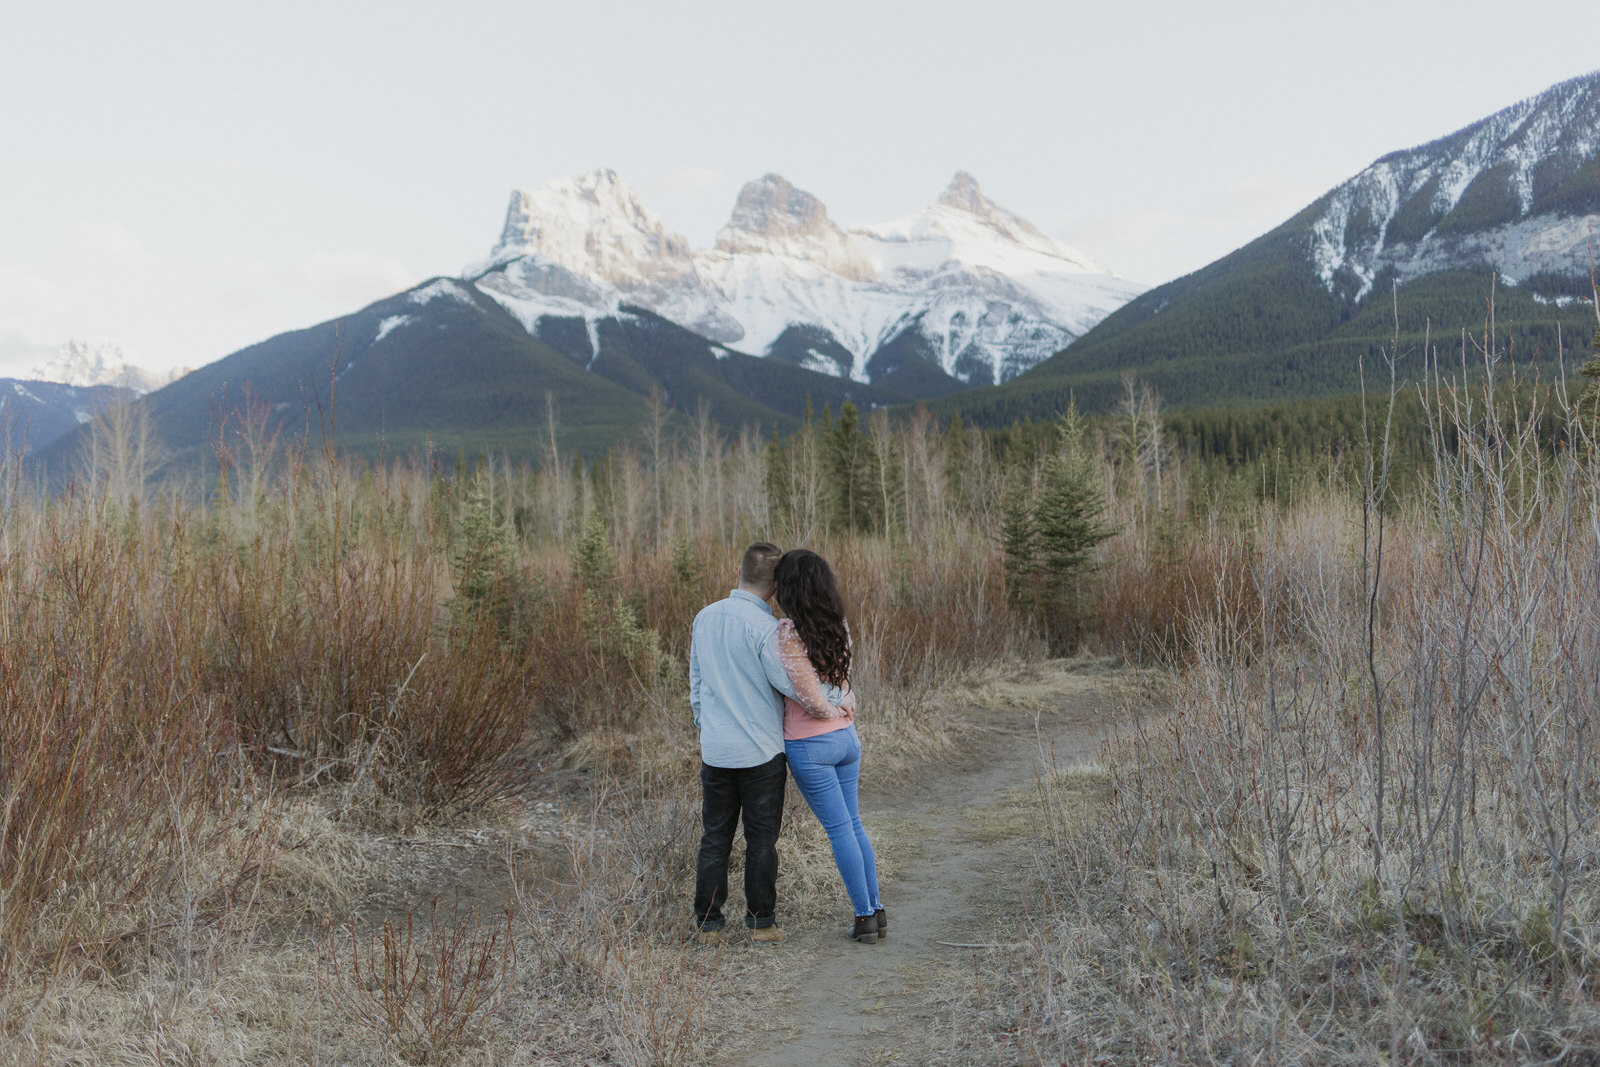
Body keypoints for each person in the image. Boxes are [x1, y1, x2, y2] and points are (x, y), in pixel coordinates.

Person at [687, 541, 846, 944]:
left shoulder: (703, 618)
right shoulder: (765, 629)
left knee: (715, 836)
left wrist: (706, 726)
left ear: (738, 571)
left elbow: (697, 682)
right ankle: (761, 923)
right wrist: (836, 702)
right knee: (761, 839)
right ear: (776, 585)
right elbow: (787, 684)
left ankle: (708, 924)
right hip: (761, 751)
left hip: (717, 750)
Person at [773, 548, 885, 945]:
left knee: (841, 831)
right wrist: (843, 706)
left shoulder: (788, 632)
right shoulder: (838, 624)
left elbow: (811, 699)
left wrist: (832, 706)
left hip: (812, 743)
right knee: (853, 826)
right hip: (846, 738)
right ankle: (876, 910)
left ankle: (864, 917)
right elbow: (843, 684)